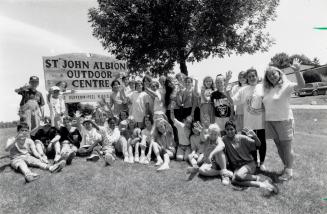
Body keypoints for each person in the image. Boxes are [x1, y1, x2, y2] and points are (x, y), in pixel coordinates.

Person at [262, 58, 305, 181]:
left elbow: (301, 85)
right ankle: (286, 167)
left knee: (286, 147)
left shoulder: (286, 85)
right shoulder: (267, 89)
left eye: (274, 73)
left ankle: (289, 171)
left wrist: (297, 71)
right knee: (279, 147)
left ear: (279, 73)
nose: (272, 76)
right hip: (270, 121)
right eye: (269, 75)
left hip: (284, 120)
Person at [222, 121, 278, 193]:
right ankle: (262, 184)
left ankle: (258, 178)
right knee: (234, 180)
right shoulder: (224, 139)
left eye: (231, 129)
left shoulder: (242, 138)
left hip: (249, 163)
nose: (229, 131)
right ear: (225, 131)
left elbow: (258, 145)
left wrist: (254, 136)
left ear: (235, 130)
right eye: (227, 129)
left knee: (239, 176)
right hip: (237, 167)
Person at [227, 69, 266, 170]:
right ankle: (253, 161)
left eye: (254, 76)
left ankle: (261, 163)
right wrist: (227, 92)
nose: (252, 78)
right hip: (249, 123)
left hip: (261, 122)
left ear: (257, 77)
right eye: (250, 76)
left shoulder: (263, 87)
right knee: (250, 144)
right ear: (247, 79)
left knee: (262, 143)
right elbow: (232, 101)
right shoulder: (243, 90)